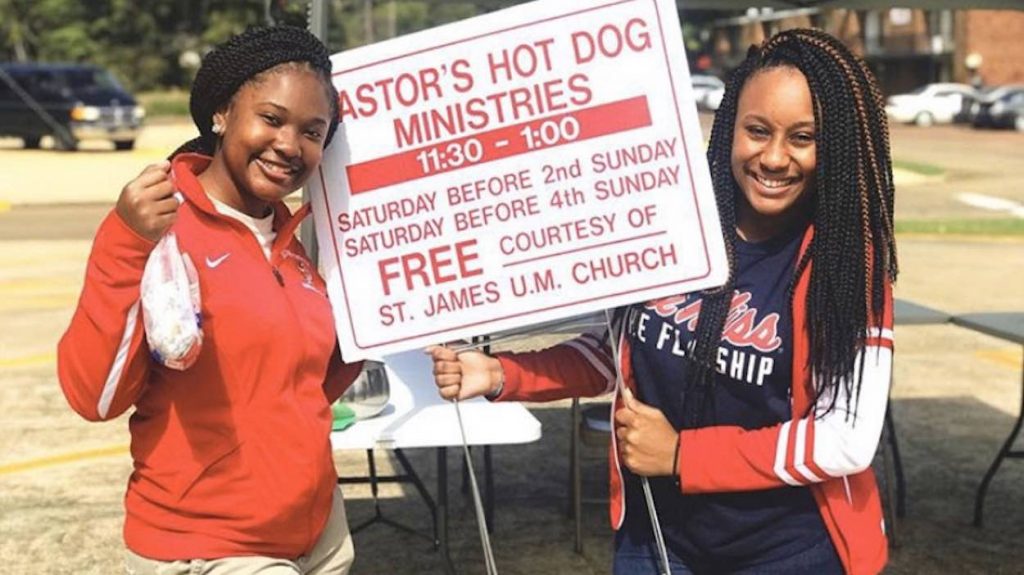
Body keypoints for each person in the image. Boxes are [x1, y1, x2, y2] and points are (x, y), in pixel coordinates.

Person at [429, 28, 897, 575]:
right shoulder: (674, 228)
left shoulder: (846, 265)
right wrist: (499, 372)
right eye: (757, 130)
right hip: (657, 536)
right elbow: (621, 357)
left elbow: (844, 439)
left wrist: (683, 455)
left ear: (834, 146)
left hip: (791, 549)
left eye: (802, 137)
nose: (773, 157)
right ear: (729, 130)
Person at [57, 26, 364, 574]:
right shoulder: (163, 231)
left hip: (316, 532)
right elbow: (93, 396)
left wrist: (384, 326)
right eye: (271, 119)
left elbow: (301, 381)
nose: (290, 145)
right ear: (222, 114)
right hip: (211, 543)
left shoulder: (293, 246)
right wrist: (124, 243)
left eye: (313, 131)